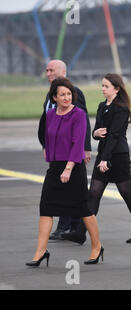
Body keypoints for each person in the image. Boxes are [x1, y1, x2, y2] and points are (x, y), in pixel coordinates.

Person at [62, 73, 131, 245]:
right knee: (93, 193)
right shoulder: (103, 106)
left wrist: (105, 159)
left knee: (127, 193)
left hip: (117, 156)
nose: (102, 89)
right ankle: (80, 232)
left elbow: (114, 136)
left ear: (116, 89)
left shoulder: (121, 108)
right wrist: (94, 134)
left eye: (106, 86)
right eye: (102, 85)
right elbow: (98, 131)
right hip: (103, 154)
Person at [27, 77, 103, 267]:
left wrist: (68, 168)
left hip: (73, 168)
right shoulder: (50, 114)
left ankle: (97, 246)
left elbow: (78, 143)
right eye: (62, 94)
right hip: (54, 168)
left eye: (69, 94)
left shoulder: (78, 114)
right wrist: (48, 151)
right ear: (54, 97)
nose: (67, 97)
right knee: (45, 209)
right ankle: (40, 252)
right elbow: (45, 134)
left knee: (83, 210)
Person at [38, 60, 92, 240]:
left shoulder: (73, 93)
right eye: (46, 70)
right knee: (64, 191)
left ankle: (73, 228)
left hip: (71, 152)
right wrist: (45, 145)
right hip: (56, 151)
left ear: (61, 72)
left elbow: (82, 121)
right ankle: (69, 227)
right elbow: (46, 123)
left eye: (51, 70)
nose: (47, 73)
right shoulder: (51, 95)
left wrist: (85, 148)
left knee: (73, 192)